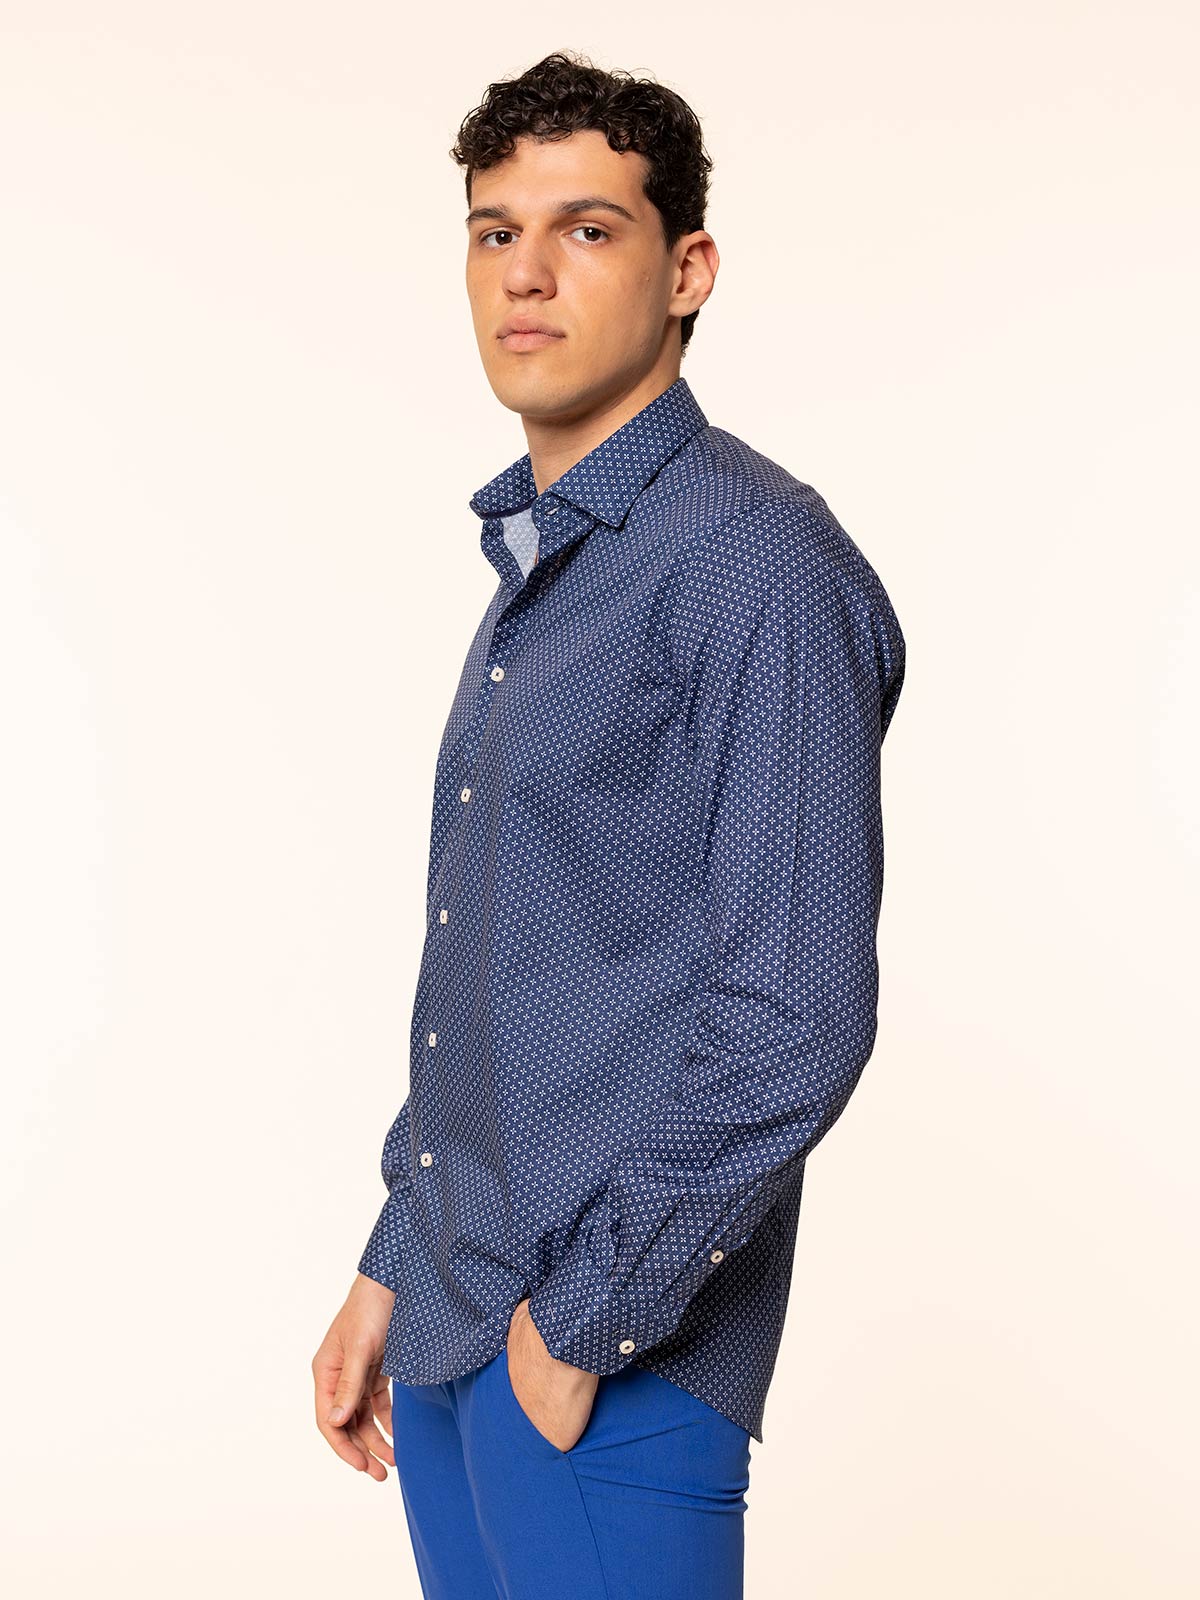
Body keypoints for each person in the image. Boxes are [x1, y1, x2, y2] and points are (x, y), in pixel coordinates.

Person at [312, 49, 907, 1600]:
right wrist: (393, 1263)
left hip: (604, 1363)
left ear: (686, 270)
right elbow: (515, 977)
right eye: (494, 231)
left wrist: (583, 1324)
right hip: (455, 1336)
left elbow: (796, 1012)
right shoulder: (545, 577)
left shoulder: (754, 563)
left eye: (587, 229)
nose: (527, 273)